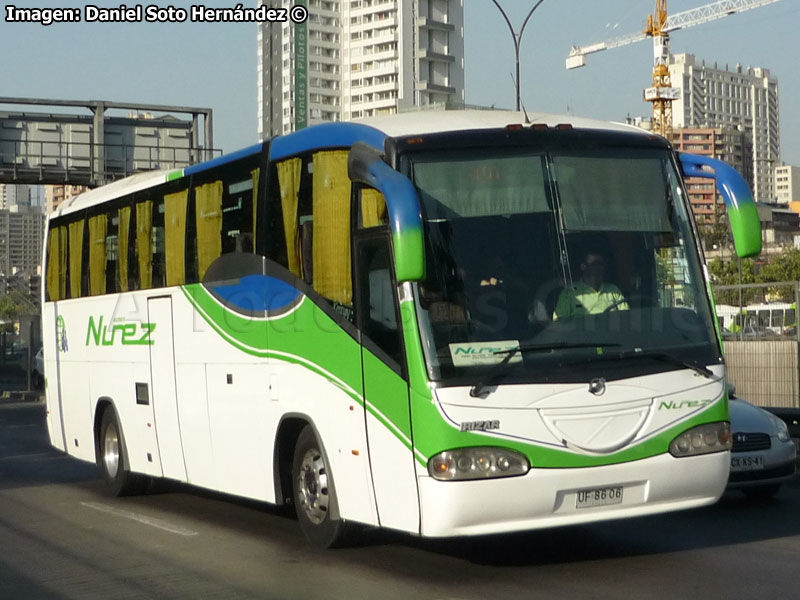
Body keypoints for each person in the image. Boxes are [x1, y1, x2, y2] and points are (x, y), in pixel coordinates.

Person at [554, 251, 628, 320]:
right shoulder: (569, 293)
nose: (598, 268)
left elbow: (626, 317)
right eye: (594, 264)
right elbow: (559, 323)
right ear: (583, 267)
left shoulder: (613, 290)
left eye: (601, 264)